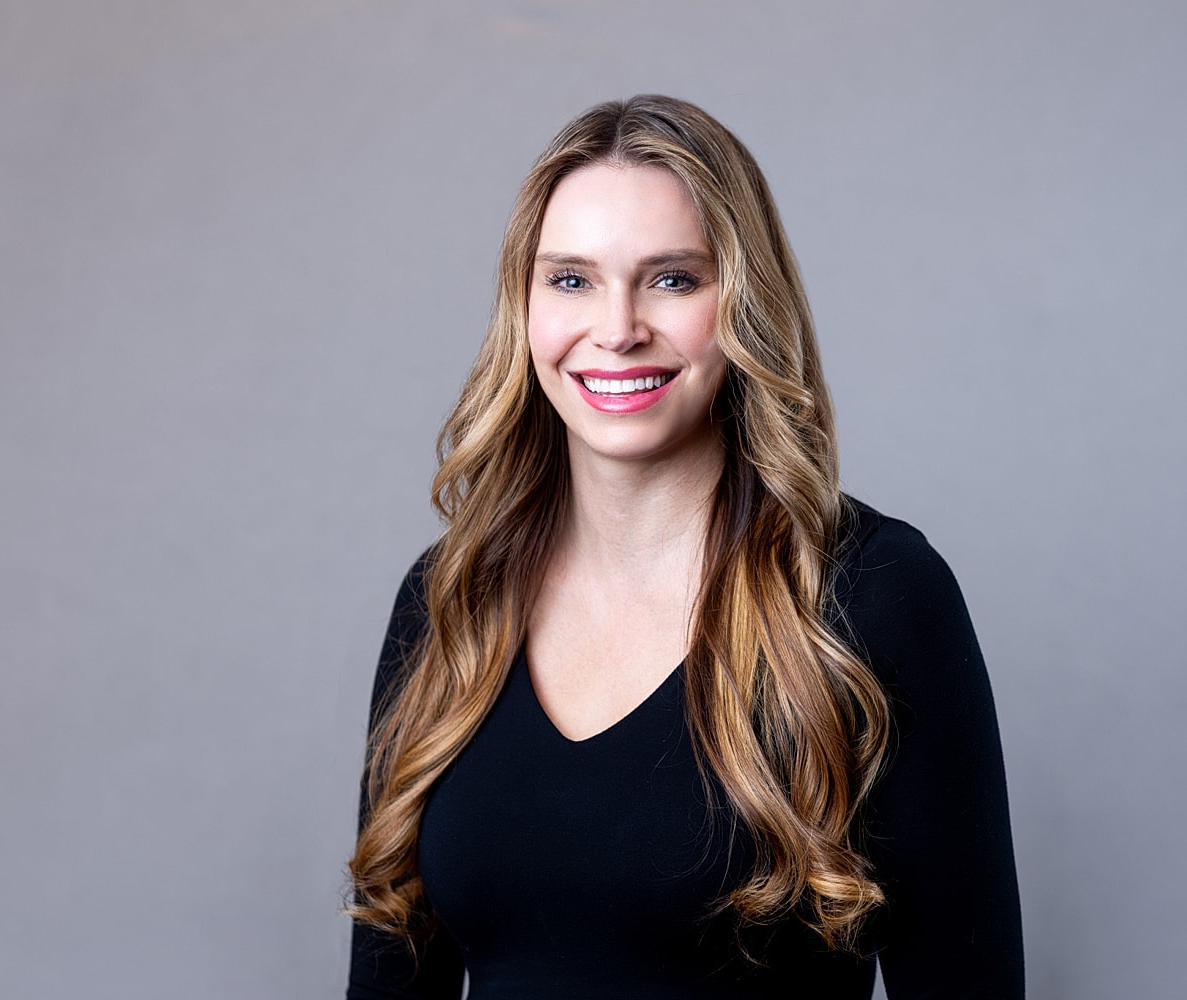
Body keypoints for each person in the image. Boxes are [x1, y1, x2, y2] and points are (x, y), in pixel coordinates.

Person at [346, 95, 1022, 999]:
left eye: (671, 280)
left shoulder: (874, 595)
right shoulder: (451, 597)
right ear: (523, 307)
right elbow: (388, 982)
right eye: (571, 280)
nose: (617, 328)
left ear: (743, 301)